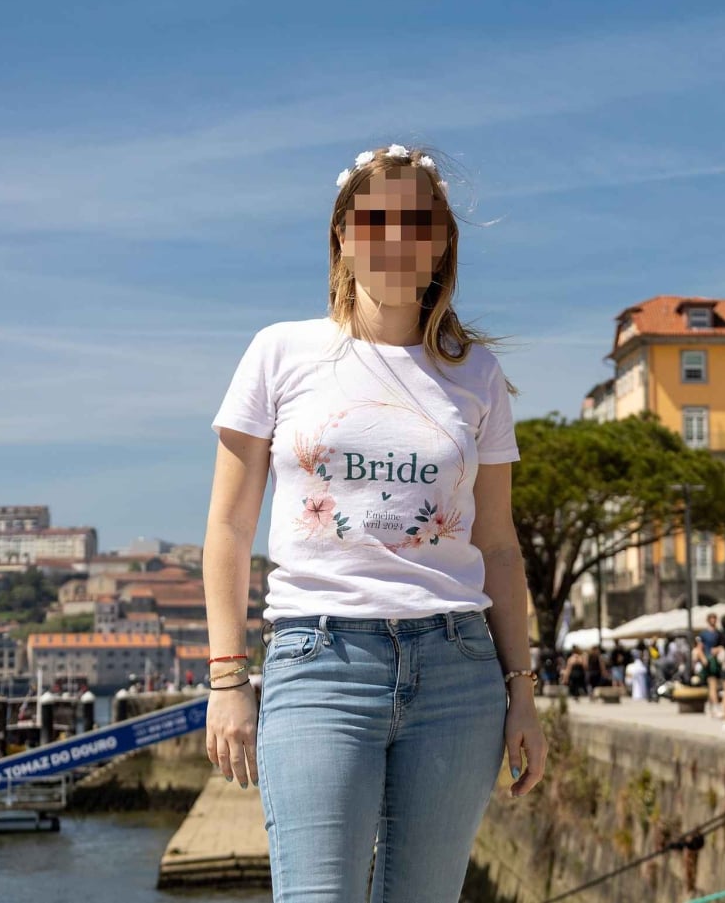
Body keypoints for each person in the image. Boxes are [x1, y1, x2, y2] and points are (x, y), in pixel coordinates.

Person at [202, 144, 545, 901]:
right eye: (377, 219)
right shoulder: (279, 352)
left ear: (442, 243)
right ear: (343, 236)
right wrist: (227, 678)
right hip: (319, 659)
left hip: (458, 667)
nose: (397, 238)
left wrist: (523, 689)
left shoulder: (476, 373)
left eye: (418, 222)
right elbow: (228, 528)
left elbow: (497, 544)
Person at [700, 613, 723, 714]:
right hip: (708, 661)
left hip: (716, 661)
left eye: (715, 618)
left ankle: (710, 706)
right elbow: (699, 648)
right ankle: (716, 706)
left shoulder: (719, 633)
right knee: (712, 684)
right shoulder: (704, 634)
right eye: (712, 619)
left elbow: (723, 646)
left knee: (713, 685)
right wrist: (703, 658)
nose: (713, 620)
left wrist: (717, 649)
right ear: (708, 620)